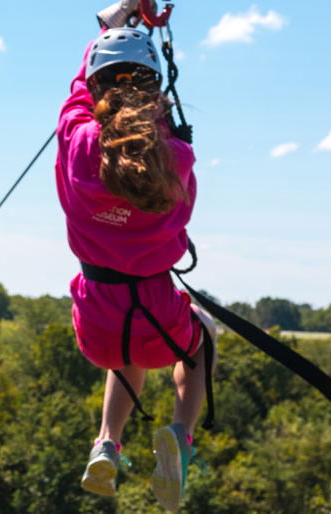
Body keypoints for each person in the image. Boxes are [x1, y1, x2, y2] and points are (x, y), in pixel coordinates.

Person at [55, 1, 215, 510]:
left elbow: (77, 94)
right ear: (155, 90)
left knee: (125, 355)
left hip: (98, 325)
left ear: (99, 88)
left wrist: (113, 24)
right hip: (158, 315)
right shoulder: (176, 157)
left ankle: (106, 442)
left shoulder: (78, 143)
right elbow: (181, 217)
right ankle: (179, 437)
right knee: (202, 332)